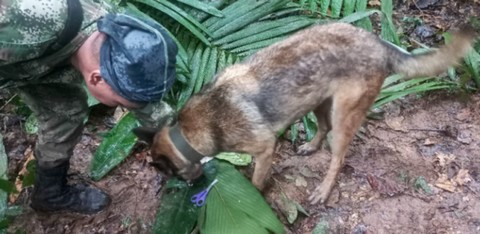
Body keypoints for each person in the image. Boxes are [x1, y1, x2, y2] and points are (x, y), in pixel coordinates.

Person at [0, 0, 178, 214]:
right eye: (120, 103)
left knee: (65, 113)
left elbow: (142, 102)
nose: (124, 106)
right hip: (22, 52)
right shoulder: (22, 21)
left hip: (37, 62)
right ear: (96, 78)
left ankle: (49, 193)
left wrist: (184, 145)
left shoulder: (113, 36)